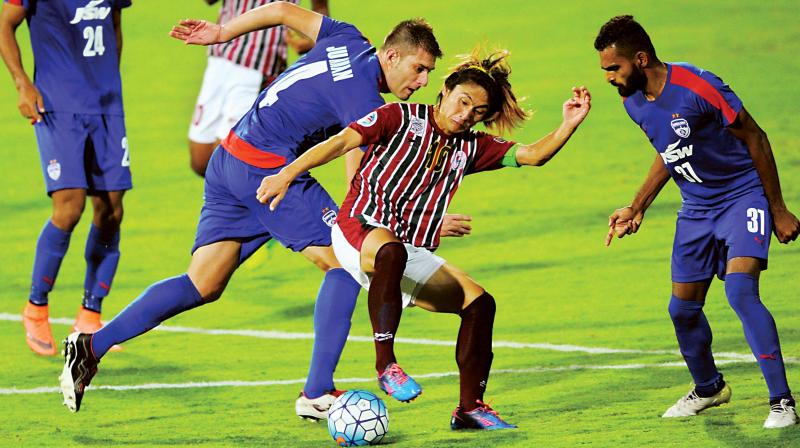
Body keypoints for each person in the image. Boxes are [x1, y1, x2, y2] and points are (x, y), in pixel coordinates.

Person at [58, 2, 443, 417]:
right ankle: (317, 391)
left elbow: (279, 9)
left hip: (230, 158)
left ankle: (90, 346)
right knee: (345, 263)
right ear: (391, 55)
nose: (421, 81)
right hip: (267, 173)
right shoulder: (365, 99)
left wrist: (223, 33)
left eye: (428, 73)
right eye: (418, 68)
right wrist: (369, 231)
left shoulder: (347, 36)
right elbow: (356, 178)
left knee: (202, 283)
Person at [256, 50, 592, 430]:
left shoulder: (471, 147)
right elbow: (339, 143)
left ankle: (470, 408)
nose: (466, 115)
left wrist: (569, 124)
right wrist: (287, 174)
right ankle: (386, 364)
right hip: (356, 229)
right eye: (463, 102)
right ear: (445, 91)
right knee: (391, 250)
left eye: (478, 112)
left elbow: (532, 155)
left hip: (398, 248)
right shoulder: (397, 118)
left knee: (478, 303)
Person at [595, 15, 799, 428]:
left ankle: (782, 402)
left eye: (613, 68)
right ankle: (709, 388)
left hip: (742, 196)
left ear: (640, 58)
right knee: (682, 310)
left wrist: (777, 208)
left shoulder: (698, 85)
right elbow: (671, 150)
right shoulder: (632, 101)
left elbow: (755, 137)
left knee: (741, 293)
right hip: (696, 209)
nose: (609, 78)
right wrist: (637, 206)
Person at [0, 0, 132, 356]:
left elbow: (114, 26)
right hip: (56, 103)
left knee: (111, 209)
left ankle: (90, 314)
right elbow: (4, 25)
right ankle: (36, 306)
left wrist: (109, 88)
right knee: (69, 206)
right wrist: (22, 84)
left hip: (106, 106)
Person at [187, 0, 329, 177]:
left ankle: (266, 197)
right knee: (200, 161)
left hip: (258, 65)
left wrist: (311, 41)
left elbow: (320, 8)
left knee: (228, 162)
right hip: (219, 57)